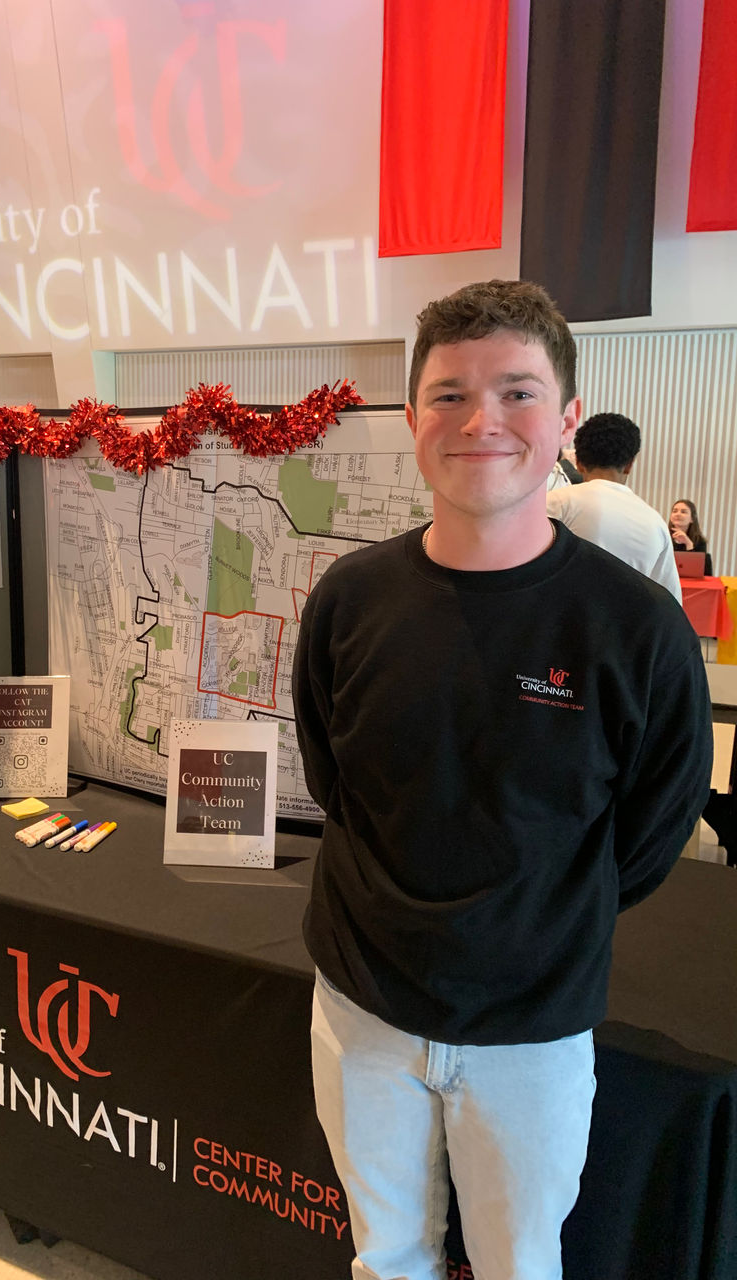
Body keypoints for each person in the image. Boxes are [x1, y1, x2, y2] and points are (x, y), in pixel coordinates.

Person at [293, 278, 713, 1280]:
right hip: (364, 1007)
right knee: (386, 1256)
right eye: (449, 394)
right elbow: (332, 775)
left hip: (535, 1025)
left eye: (518, 391)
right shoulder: (349, 600)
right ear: (411, 419)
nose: (482, 420)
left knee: (522, 1265)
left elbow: (655, 824)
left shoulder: (635, 628)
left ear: (567, 417)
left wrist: (541, 915)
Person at [546, 411, 681, 601]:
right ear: (630, 465)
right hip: (628, 627)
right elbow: (671, 602)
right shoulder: (654, 523)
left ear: (578, 463)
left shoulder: (553, 504)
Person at [669, 498, 713, 575]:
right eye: (674, 511)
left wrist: (688, 544)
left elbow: (698, 571)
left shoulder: (699, 541)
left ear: (692, 519)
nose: (678, 514)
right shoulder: (663, 537)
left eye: (683, 512)